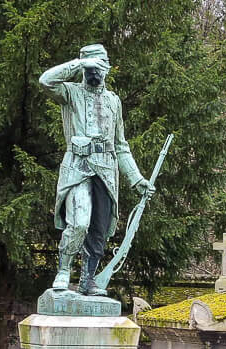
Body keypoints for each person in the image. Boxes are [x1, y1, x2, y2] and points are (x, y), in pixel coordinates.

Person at [39, 44, 154, 295]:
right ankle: (64, 271)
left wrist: (137, 179)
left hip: (106, 169)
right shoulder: (70, 93)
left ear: (107, 68)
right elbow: (46, 80)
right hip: (78, 167)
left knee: (99, 229)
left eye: (98, 66)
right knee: (79, 222)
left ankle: (88, 280)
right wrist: (80, 63)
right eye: (90, 67)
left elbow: (121, 146)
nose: (94, 72)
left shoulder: (113, 101)